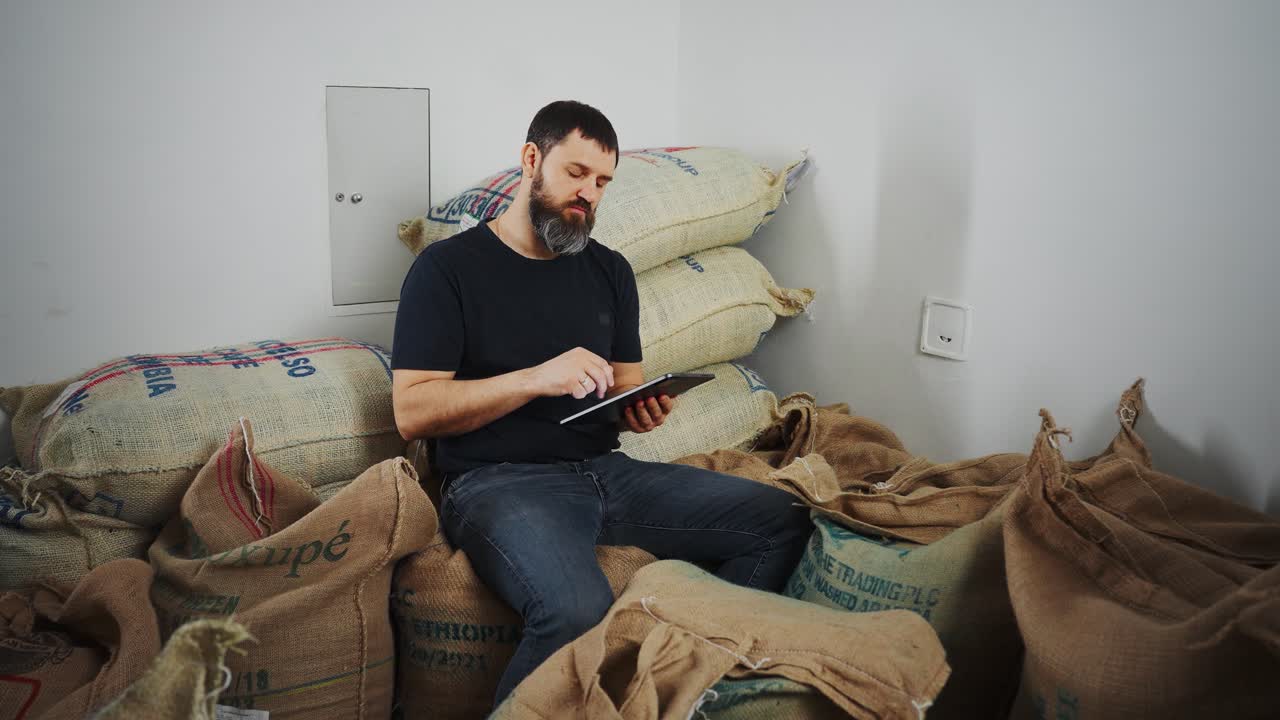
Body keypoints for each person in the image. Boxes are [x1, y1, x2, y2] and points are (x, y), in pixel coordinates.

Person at [390, 100, 811, 707]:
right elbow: (414, 412)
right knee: (575, 608)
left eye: (602, 182)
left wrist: (639, 408)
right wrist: (534, 378)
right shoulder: (448, 269)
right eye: (576, 173)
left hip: (607, 471)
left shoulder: (609, 271)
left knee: (780, 520)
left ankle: (687, 688)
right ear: (532, 159)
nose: (588, 194)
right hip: (498, 483)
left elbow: (623, 386)